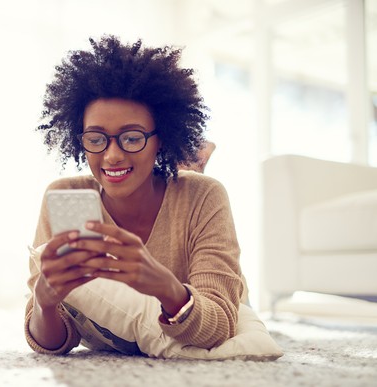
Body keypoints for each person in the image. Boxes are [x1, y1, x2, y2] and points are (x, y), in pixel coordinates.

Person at [25, 35, 247, 356]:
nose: (112, 155)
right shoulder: (65, 196)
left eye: (131, 138)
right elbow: (53, 342)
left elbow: (221, 325)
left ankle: (191, 163)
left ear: (161, 139)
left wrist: (166, 286)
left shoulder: (204, 196)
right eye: (96, 138)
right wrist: (44, 304)